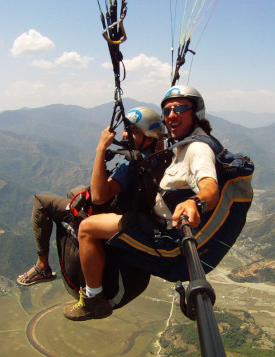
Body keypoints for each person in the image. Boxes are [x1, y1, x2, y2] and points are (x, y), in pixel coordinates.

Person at [63, 85, 220, 321]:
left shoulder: (198, 147)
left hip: (166, 235)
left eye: (179, 108)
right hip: (160, 223)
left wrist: (195, 202)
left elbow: (209, 185)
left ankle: (94, 300)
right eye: (167, 111)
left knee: (86, 228)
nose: (171, 115)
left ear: (195, 113)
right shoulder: (183, 144)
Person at [17, 107, 166, 287]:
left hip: (113, 216)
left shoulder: (132, 164)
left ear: (149, 138)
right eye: (127, 128)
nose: (125, 134)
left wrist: (101, 149)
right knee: (75, 192)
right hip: (133, 214)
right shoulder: (157, 158)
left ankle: (42, 267)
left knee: (41, 202)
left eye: (134, 131)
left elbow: (98, 197)